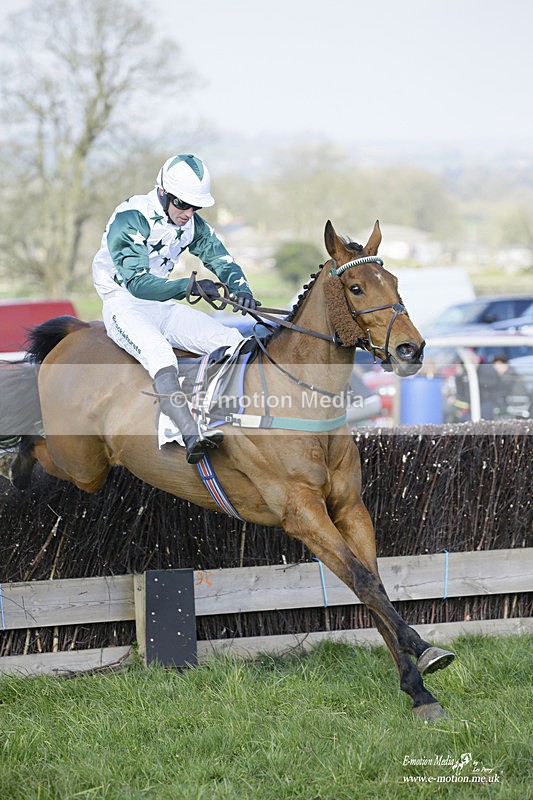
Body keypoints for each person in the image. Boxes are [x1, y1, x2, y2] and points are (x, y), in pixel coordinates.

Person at [92, 154, 258, 463]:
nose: (189, 213)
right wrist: (189, 286)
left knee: (234, 342)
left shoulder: (191, 222)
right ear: (164, 192)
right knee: (161, 355)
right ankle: (190, 435)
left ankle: (225, 412)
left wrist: (241, 289)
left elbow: (220, 258)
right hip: (123, 305)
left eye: (196, 207)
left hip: (161, 305)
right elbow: (137, 284)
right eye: (183, 204)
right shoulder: (131, 217)